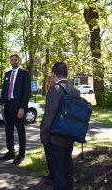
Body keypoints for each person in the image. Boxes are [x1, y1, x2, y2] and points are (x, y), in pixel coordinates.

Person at [40, 62, 80, 190]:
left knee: (58, 174)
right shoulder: (75, 91)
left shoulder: (55, 89)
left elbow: (49, 115)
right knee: (67, 168)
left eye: (51, 73)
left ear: (54, 73)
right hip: (69, 136)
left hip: (55, 138)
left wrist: (43, 134)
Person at [0, 54, 31, 165]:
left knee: (20, 131)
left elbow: (27, 93)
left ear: (18, 60)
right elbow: (4, 90)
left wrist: (22, 108)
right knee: (8, 130)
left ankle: (21, 154)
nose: (13, 61)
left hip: (18, 107)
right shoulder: (7, 74)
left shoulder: (24, 74)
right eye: (11, 60)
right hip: (8, 106)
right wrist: (1, 104)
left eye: (15, 59)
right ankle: (10, 152)